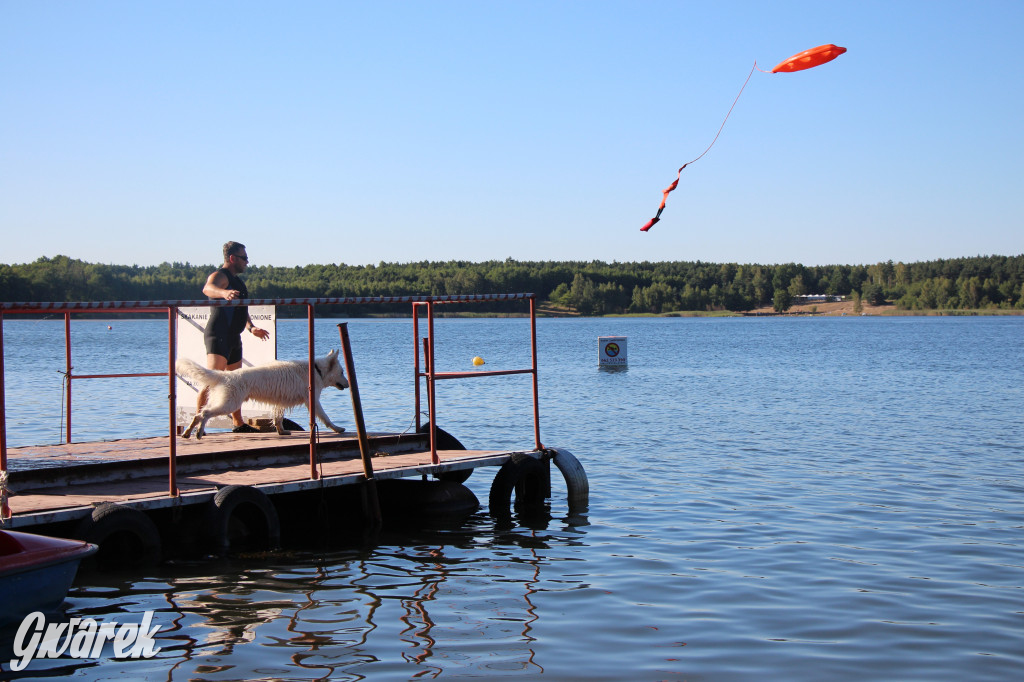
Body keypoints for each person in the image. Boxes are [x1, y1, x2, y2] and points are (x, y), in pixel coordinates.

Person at [201, 241, 269, 432]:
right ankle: (198, 421)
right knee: (211, 380)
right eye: (244, 258)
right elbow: (208, 288)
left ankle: (238, 423)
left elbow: (240, 308)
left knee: (236, 382)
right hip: (218, 334)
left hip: (233, 336)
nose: (247, 262)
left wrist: (251, 327)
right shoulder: (220, 276)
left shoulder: (237, 281)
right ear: (232, 258)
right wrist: (223, 292)